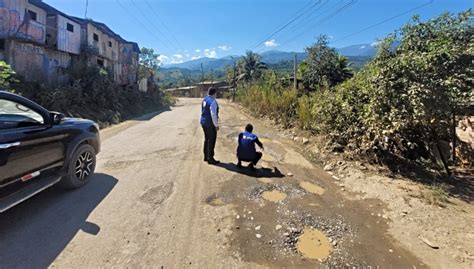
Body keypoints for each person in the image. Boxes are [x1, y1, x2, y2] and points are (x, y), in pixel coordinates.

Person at [200, 87, 220, 165]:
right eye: (216, 93)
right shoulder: (213, 101)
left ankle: (206, 156)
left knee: (207, 139)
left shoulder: (204, 99)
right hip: (210, 124)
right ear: (214, 93)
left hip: (203, 122)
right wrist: (216, 125)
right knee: (211, 141)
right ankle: (210, 158)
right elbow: (213, 114)